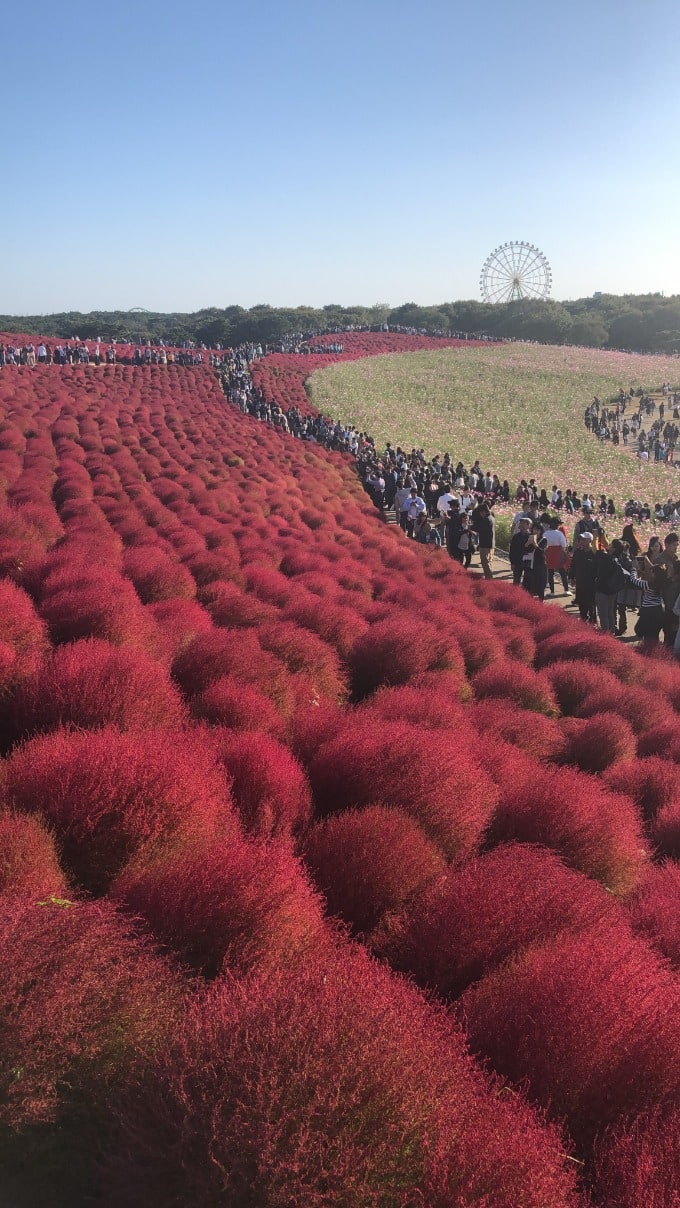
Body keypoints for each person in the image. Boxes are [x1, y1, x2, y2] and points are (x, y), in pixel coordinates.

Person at [569, 532, 597, 623]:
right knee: (581, 602)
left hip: (591, 583)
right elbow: (573, 565)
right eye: (581, 539)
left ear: (590, 540)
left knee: (591, 603)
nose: (582, 541)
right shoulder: (578, 552)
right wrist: (571, 577)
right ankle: (583, 619)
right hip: (580, 582)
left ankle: (593, 620)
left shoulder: (594, 553)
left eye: (584, 539)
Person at [521, 522, 548, 602]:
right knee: (528, 584)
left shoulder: (544, 540)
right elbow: (524, 550)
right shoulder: (529, 537)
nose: (535, 531)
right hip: (529, 565)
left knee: (539, 584)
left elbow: (541, 552)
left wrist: (535, 544)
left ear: (541, 531)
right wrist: (527, 543)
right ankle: (528, 601)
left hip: (539, 564)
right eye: (534, 529)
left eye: (537, 530)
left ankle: (540, 601)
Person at [544, 518, 570, 596]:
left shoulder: (546, 533)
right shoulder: (559, 533)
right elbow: (564, 545)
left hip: (549, 553)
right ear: (556, 525)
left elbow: (543, 544)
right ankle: (566, 590)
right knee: (562, 572)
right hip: (558, 552)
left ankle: (552, 592)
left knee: (550, 572)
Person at [472, 502, 495, 580]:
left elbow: (479, 529)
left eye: (480, 512)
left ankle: (489, 579)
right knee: (489, 562)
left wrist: (471, 527)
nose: (480, 515)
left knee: (485, 563)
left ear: (483, 511)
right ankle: (489, 578)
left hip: (485, 544)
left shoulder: (486, 519)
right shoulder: (492, 517)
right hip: (490, 543)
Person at [509, 516, 532, 586]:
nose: (521, 524)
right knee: (516, 580)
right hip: (517, 561)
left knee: (527, 581)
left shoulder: (532, 537)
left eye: (523, 523)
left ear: (528, 525)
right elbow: (512, 550)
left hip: (528, 562)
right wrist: (512, 562)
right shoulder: (516, 537)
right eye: (520, 523)